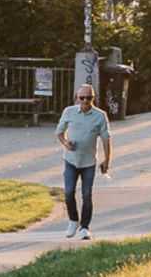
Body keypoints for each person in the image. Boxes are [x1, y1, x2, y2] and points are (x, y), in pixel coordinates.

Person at [53, 82, 113, 240]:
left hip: (88, 162)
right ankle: (73, 220)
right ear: (76, 98)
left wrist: (107, 161)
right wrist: (66, 144)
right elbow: (59, 132)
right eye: (82, 98)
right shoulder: (69, 112)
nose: (85, 101)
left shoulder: (100, 116)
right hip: (71, 160)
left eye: (89, 98)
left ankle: (85, 227)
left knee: (87, 195)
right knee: (68, 192)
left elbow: (106, 140)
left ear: (94, 98)